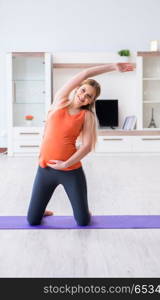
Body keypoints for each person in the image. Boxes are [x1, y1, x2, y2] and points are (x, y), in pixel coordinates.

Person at [27, 62, 135, 226]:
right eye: (83, 90)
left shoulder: (87, 116)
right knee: (32, 220)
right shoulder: (60, 101)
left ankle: (84, 211)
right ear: (77, 88)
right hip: (45, 169)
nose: (84, 95)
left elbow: (87, 146)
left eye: (89, 96)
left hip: (70, 171)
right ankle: (41, 210)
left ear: (91, 101)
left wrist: (66, 164)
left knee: (83, 221)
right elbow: (84, 74)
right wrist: (113, 67)